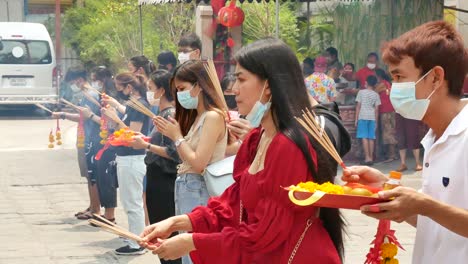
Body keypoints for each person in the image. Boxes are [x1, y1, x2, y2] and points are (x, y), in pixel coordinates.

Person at [139, 38, 344, 264]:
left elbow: (264, 236)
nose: (234, 89)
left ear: (269, 85)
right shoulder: (256, 139)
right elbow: (234, 201)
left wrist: (193, 242)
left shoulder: (289, 146)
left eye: (241, 79)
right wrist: (180, 222)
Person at [342, 20, 468, 264]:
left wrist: (425, 205)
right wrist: (383, 186)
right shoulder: (434, 137)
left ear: (435, 78)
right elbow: (433, 219)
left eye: (399, 77)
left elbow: (429, 209)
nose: (393, 88)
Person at [152, 60, 228, 264]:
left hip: (198, 187)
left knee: (193, 252)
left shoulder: (212, 116)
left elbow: (199, 162)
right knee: (187, 251)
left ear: (199, 85)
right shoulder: (199, 117)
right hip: (188, 186)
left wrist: (176, 136)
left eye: (182, 88)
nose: (179, 95)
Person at [130, 70, 181, 264]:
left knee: (165, 231)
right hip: (156, 178)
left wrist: (147, 146)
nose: (149, 93)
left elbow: (174, 152)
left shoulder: (169, 115)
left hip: (164, 180)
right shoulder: (160, 114)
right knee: (158, 229)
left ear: (161, 90)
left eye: (151, 88)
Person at [104, 73, 150, 255]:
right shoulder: (134, 105)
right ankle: (134, 236)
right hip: (128, 158)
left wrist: (115, 119)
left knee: (132, 202)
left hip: (133, 158)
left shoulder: (140, 106)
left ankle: (136, 243)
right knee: (129, 200)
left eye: (120, 88)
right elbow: (127, 113)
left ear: (130, 88)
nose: (119, 91)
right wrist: (116, 108)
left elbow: (133, 133)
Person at [52, 67, 102, 220]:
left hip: (91, 140)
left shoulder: (90, 94)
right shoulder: (87, 94)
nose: (73, 85)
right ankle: (92, 206)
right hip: (85, 137)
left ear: (79, 80)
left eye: (73, 82)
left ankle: (95, 209)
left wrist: (63, 115)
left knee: (92, 176)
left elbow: (84, 117)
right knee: (88, 176)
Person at [355, 75, 381, 165]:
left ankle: (367, 158)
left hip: (363, 117)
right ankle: (371, 158)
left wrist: (356, 119)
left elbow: (358, 106)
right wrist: (376, 122)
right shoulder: (376, 94)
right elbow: (377, 109)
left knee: (364, 137)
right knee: (371, 138)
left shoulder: (361, 92)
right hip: (372, 118)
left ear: (366, 83)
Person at [375, 69, 397, 162]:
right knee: (390, 131)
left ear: (378, 76)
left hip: (386, 111)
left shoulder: (382, 84)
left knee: (387, 133)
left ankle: (391, 156)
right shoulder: (387, 83)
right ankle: (393, 154)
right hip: (390, 110)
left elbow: (374, 91)